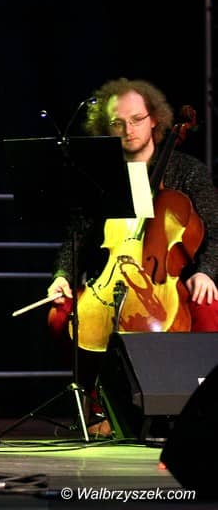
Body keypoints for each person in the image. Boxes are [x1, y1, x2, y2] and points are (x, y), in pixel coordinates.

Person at [46, 78, 218, 395]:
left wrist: (206, 272)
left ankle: (193, 403)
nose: (128, 129)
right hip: (110, 279)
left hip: (174, 279)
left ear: (154, 119)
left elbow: (215, 231)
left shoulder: (188, 172)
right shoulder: (99, 176)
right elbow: (77, 234)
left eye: (137, 119)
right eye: (117, 123)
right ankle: (98, 399)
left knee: (209, 310)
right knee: (60, 316)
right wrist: (61, 275)